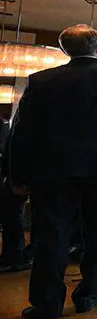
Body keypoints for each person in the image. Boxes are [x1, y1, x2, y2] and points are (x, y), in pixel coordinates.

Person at [8, 25, 97, 319]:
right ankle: (89, 296)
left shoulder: (41, 80)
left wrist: (17, 176)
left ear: (64, 50)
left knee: (51, 236)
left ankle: (47, 303)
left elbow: (22, 132)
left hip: (53, 172)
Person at [0, 115, 31, 272]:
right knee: (10, 213)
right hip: (16, 172)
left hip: (22, 173)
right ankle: (12, 255)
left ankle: (15, 256)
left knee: (12, 213)